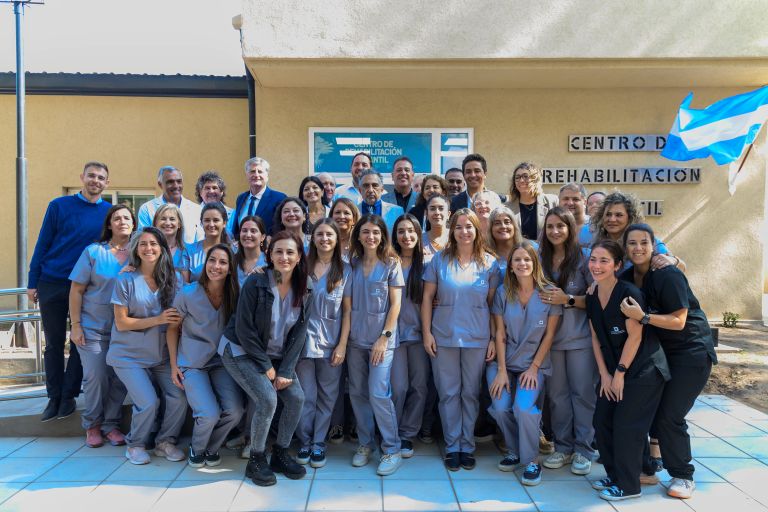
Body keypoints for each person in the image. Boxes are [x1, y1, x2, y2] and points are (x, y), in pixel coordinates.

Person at [619, 224, 717, 499]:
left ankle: (683, 475)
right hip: (660, 353)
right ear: (625, 248)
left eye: (644, 242)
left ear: (654, 246)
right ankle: (647, 468)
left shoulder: (667, 274)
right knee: (644, 408)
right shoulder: (626, 277)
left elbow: (679, 320)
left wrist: (643, 317)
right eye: (632, 243)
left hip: (691, 352)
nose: (638, 248)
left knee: (669, 416)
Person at [220, 231, 311, 487]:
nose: (284, 257)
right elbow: (244, 330)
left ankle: (280, 453)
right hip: (240, 350)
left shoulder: (305, 286)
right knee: (268, 399)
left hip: (275, 354)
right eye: (278, 251)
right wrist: (267, 367)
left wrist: (286, 370)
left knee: (296, 398)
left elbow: (300, 332)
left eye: (290, 252)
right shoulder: (257, 282)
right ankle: (256, 459)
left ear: (299, 256)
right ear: (269, 254)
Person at [28, 161, 113, 422]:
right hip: (53, 281)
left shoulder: (109, 213)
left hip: (87, 287)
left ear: (107, 183)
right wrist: (32, 281)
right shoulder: (59, 206)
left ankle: (69, 395)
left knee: (81, 341)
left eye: (101, 177)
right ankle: (53, 397)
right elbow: (43, 243)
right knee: (54, 343)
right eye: (91, 176)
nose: (95, 181)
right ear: (82, 177)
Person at [586, 240, 670, 502]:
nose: (596, 265)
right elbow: (595, 337)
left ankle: (630, 485)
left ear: (617, 265)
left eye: (604, 261)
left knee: (626, 426)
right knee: (601, 420)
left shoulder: (628, 294)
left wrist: (620, 373)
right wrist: (605, 375)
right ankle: (615, 476)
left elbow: (635, 337)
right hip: (614, 369)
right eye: (593, 259)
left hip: (643, 370)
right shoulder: (592, 295)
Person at [421, 208, 499, 471]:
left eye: (469, 226)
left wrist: (493, 339)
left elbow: (494, 306)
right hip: (444, 337)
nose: (464, 231)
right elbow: (427, 299)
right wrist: (427, 333)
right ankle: (452, 445)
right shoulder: (439, 260)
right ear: (451, 231)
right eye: (458, 227)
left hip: (477, 338)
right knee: (448, 393)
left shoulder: (489, 263)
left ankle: (467, 445)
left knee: (470, 393)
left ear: (477, 230)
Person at [108, 227, 187, 465]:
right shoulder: (125, 279)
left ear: (163, 249)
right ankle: (135, 444)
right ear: (136, 249)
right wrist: (157, 320)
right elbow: (121, 323)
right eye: (143, 244)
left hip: (160, 354)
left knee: (179, 396)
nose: (148, 248)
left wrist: (174, 364)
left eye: (153, 244)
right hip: (128, 355)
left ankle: (165, 442)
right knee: (149, 402)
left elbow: (173, 325)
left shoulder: (175, 280)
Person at [487, 241, 561, 486]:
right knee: (500, 407)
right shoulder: (503, 293)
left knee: (523, 408)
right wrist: (501, 370)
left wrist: (534, 368)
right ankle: (515, 450)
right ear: (510, 266)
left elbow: (549, 335)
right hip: (504, 362)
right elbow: (499, 333)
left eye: (527, 259)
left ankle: (531, 460)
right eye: (517, 260)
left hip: (533, 364)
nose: (522, 264)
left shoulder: (549, 292)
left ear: (535, 263)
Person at [167, 244, 244, 467]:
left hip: (221, 362)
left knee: (235, 411)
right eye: (212, 260)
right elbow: (172, 329)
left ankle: (212, 448)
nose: (216, 266)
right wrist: (174, 365)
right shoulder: (188, 293)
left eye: (223, 262)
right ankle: (198, 448)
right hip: (192, 363)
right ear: (205, 263)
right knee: (208, 413)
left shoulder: (234, 294)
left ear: (230, 268)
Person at [68, 204, 134, 448]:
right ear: (109, 224)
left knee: (120, 379)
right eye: (117, 218)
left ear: (134, 224)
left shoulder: (140, 252)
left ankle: (110, 425)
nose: (122, 221)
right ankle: (93, 425)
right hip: (93, 327)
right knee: (95, 377)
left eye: (127, 218)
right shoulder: (94, 252)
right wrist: (76, 325)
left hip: (125, 330)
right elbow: (76, 290)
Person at [537, 208, 597, 475]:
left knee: (582, 394)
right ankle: (563, 447)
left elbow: (597, 299)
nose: (555, 231)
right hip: (549, 340)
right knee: (557, 397)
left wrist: (568, 300)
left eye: (560, 226)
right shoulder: (540, 258)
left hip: (579, 339)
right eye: (550, 226)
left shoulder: (585, 258)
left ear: (571, 228)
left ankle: (583, 450)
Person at [345, 214, 405, 476]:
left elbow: (396, 304)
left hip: (382, 341)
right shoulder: (352, 263)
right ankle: (365, 443)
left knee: (378, 393)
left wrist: (384, 337)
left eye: (376, 233)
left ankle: (392, 449)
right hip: (355, 340)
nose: (371, 237)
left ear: (382, 237)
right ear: (358, 236)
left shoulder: (391, 263)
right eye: (366, 232)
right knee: (357, 392)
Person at [295, 219, 351, 469]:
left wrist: (342, 345)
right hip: (302, 344)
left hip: (331, 343)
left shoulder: (345, 270)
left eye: (329, 234)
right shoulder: (301, 266)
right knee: (306, 396)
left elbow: (347, 312)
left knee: (328, 397)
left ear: (337, 239)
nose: (324, 239)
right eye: (320, 234)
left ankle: (319, 443)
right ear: (313, 238)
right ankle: (305, 441)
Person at [391, 214, 429, 458]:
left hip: (418, 335)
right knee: (398, 387)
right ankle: (391, 431)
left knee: (419, 387)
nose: (406, 236)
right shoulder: (388, 262)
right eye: (401, 231)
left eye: (411, 231)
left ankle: (407, 434)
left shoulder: (428, 264)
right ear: (395, 236)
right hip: (393, 336)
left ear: (418, 234)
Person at [591, 191, 683, 271]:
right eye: (608, 214)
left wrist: (674, 260)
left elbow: (681, 267)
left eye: (619, 215)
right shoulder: (597, 241)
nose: (612, 219)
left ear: (630, 218)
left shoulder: (645, 241)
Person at [137, 166, 203, 245]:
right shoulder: (147, 209)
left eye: (179, 181)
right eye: (170, 182)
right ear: (160, 184)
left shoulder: (196, 210)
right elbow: (143, 240)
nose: (176, 186)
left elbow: (200, 241)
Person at [230, 157, 287, 236]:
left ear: (267, 175)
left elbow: (282, 226)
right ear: (247, 175)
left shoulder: (279, 198)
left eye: (260, 171)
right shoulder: (241, 198)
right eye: (252, 171)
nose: (256, 175)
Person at [505, 162, 559, 242]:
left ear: (535, 179)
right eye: (517, 177)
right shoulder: (507, 208)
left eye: (525, 176)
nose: (521, 180)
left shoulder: (552, 202)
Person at [188, 203, 232, 281]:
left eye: (216, 220)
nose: (211, 224)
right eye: (207, 220)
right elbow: (185, 284)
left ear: (224, 223)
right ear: (201, 223)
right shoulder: (189, 250)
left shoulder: (232, 251)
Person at [153, 203, 191, 283]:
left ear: (179, 224)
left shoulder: (188, 250)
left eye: (172, 219)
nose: (167, 223)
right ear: (156, 223)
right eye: (163, 219)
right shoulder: (149, 249)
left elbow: (186, 284)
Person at [487, 206, 524, 276]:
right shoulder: (484, 255)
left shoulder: (530, 248)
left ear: (514, 226)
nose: (503, 226)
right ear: (491, 229)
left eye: (507, 222)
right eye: (497, 223)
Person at [234, 215, 267, 286]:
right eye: (244, 231)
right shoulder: (232, 261)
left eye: (253, 231)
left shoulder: (269, 262)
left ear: (262, 237)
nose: (248, 235)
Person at [558, 183, 592, 248]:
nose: (570, 203)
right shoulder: (552, 225)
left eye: (575, 199)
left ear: (585, 202)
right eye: (566, 199)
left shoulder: (596, 226)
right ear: (559, 201)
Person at [330, 198, 360, 262]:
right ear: (331, 217)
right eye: (337, 212)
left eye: (346, 213)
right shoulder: (325, 240)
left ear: (354, 219)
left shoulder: (360, 242)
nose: (341, 216)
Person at [422, 195, 451, 262]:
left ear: (448, 214)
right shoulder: (419, 241)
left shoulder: (456, 237)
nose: (437, 212)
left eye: (441, 208)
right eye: (432, 209)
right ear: (426, 214)